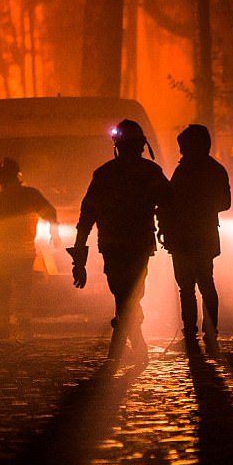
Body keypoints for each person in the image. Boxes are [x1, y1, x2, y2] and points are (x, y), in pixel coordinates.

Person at [68, 119, 168, 365]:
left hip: (115, 245)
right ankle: (131, 344)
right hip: (137, 244)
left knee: (125, 295)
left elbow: (86, 216)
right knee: (130, 295)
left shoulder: (105, 174)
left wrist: (80, 254)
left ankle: (122, 344)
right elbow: (169, 204)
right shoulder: (150, 172)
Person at [159, 124, 230, 353]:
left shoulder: (183, 171)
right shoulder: (216, 170)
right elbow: (226, 203)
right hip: (203, 235)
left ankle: (191, 334)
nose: (181, 152)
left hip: (183, 237)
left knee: (187, 288)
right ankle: (210, 332)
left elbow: (169, 201)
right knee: (205, 283)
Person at [0, 157, 60, 340]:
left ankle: (2, 328)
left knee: (2, 289)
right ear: (17, 175)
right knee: (23, 289)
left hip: (4, 252)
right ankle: (24, 327)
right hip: (25, 251)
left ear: (1, 178)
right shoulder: (30, 194)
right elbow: (50, 212)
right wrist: (55, 233)